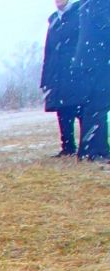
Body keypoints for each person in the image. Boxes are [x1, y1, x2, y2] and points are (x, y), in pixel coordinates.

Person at [42, 0, 81, 157]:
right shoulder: (53, 20)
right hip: (57, 74)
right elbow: (48, 52)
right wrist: (45, 80)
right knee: (63, 111)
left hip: (75, 71)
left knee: (80, 109)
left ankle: (87, 146)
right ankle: (68, 147)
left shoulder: (79, 14)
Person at [72, 0, 110, 161]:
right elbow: (105, 24)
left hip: (87, 60)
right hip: (97, 60)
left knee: (91, 108)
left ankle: (87, 150)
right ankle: (98, 151)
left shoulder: (84, 3)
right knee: (98, 107)